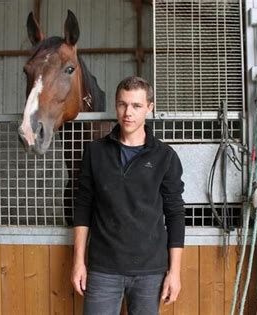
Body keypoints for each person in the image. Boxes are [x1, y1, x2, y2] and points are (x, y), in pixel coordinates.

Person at [71, 76, 185, 315]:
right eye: (122, 104)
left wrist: (174, 273)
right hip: (103, 268)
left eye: (136, 106)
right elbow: (83, 208)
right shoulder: (95, 152)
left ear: (149, 108)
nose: (128, 113)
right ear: (116, 105)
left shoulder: (165, 157)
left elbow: (175, 215)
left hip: (149, 271)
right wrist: (78, 262)